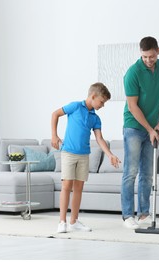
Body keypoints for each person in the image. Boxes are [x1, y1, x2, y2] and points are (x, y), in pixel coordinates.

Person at [51, 82, 120, 233]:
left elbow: (100, 139)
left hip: (84, 155)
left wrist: (110, 155)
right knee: (66, 186)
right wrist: (54, 135)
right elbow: (55, 114)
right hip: (68, 152)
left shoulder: (95, 118)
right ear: (93, 96)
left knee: (78, 188)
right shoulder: (75, 106)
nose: (102, 105)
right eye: (102, 102)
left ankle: (74, 221)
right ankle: (62, 222)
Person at [121, 36, 159, 229]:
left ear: (158, 51)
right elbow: (133, 107)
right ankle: (127, 216)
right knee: (131, 172)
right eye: (144, 57)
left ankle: (143, 214)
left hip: (153, 127)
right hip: (133, 126)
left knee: (147, 174)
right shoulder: (133, 73)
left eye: (151, 56)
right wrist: (150, 129)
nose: (148, 60)